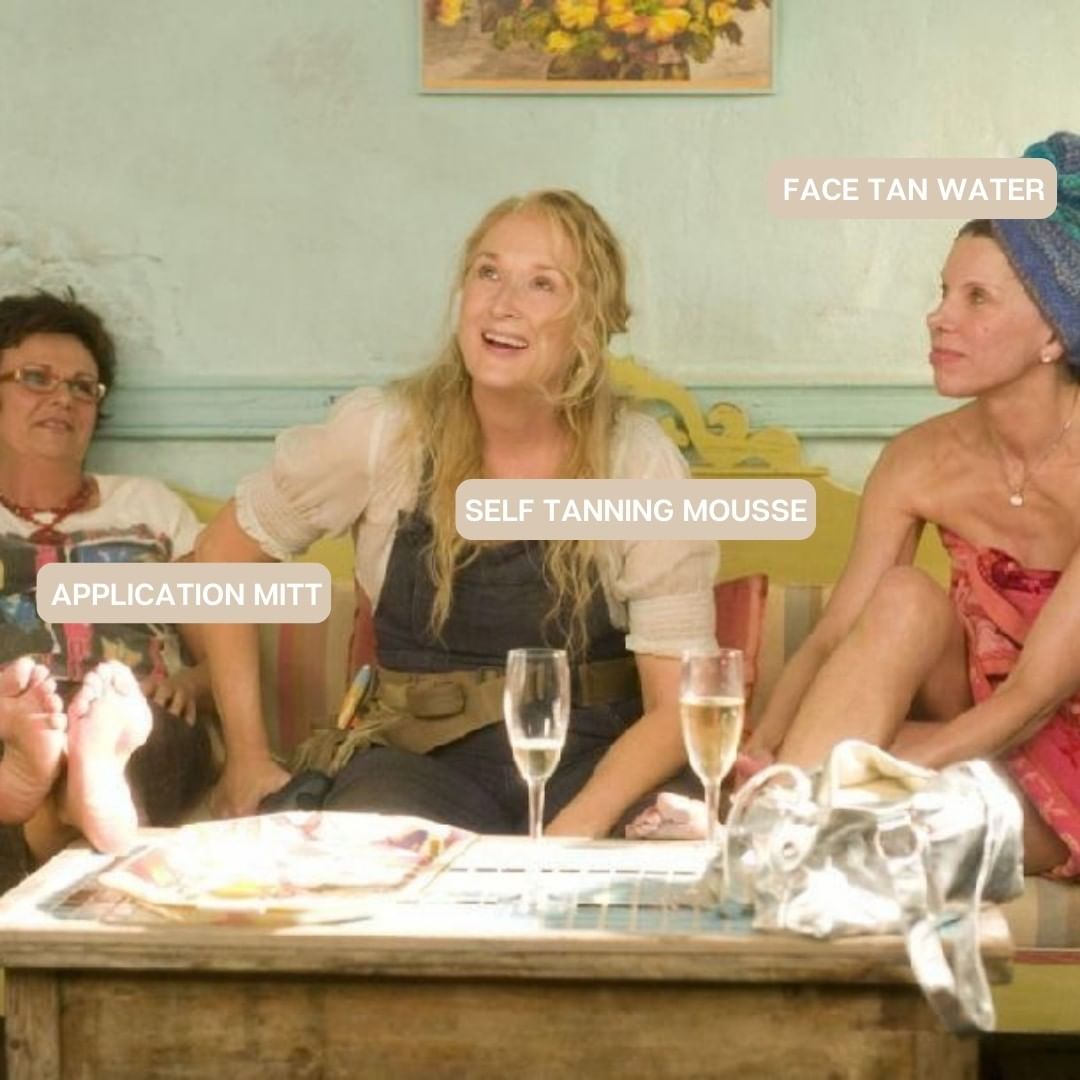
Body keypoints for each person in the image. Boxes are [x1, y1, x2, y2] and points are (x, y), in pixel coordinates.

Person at [196, 189, 718, 836]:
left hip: (594, 767)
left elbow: (676, 708)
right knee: (376, 855)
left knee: (657, 842)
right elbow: (222, 555)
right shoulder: (385, 435)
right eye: (488, 273)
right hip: (418, 764)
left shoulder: (637, 462)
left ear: (589, 325)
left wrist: (567, 840)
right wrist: (246, 757)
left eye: (542, 284)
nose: (503, 304)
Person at [631, 131, 1080, 878]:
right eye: (942, 292)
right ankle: (771, 824)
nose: (939, 317)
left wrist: (852, 777)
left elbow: (1034, 697)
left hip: (1058, 751)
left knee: (860, 792)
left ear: (1053, 336)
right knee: (902, 595)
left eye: (977, 298)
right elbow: (835, 635)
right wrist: (764, 755)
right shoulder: (919, 459)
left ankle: (781, 830)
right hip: (965, 731)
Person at [0, 290, 217, 890]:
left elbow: (218, 652)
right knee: (20, 729)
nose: (63, 398)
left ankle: (62, 787)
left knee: (146, 726)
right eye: (36, 378)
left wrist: (189, 686)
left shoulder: (150, 508)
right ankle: (75, 802)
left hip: (140, 718)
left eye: (82, 387)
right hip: (7, 714)